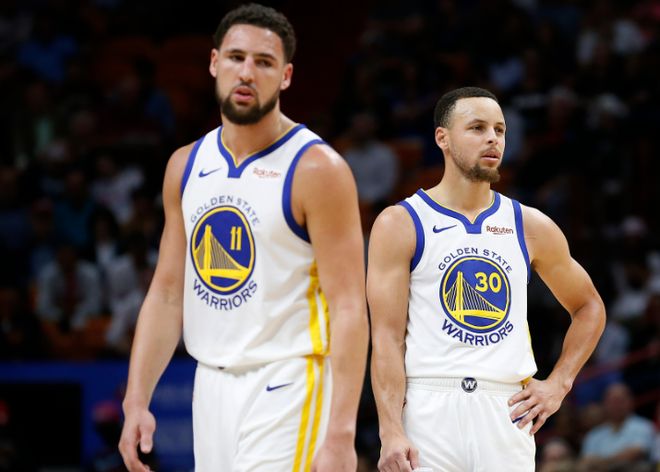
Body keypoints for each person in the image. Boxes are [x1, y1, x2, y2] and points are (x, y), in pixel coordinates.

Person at [118, 4, 369, 471]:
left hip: (289, 382)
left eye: (264, 62)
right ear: (215, 63)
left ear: (286, 76)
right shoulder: (185, 165)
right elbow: (168, 293)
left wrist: (341, 431)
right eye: (236, 57)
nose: (247, 72)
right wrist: (136, 400)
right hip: (210, 385)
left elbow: (350, 306)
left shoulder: (318, 169)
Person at [368, 86, 606, 471]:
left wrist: (559, 383)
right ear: (442, 138)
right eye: (477, 128)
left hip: (506, 407)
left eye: (500, 129)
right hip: (428, 405)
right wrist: (390, 429)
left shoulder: (529, 225)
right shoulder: (401, 222)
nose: (493, 138)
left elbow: (589, 306)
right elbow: (386, 337)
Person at [578, 382, 655, 472]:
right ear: (604, 403)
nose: (616, 405)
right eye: (612, 401)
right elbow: (586, 461)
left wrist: (601, 463)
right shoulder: (594, 434)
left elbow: (636, 453)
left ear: (630, 402)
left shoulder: (644, 426)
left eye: (620, 401)